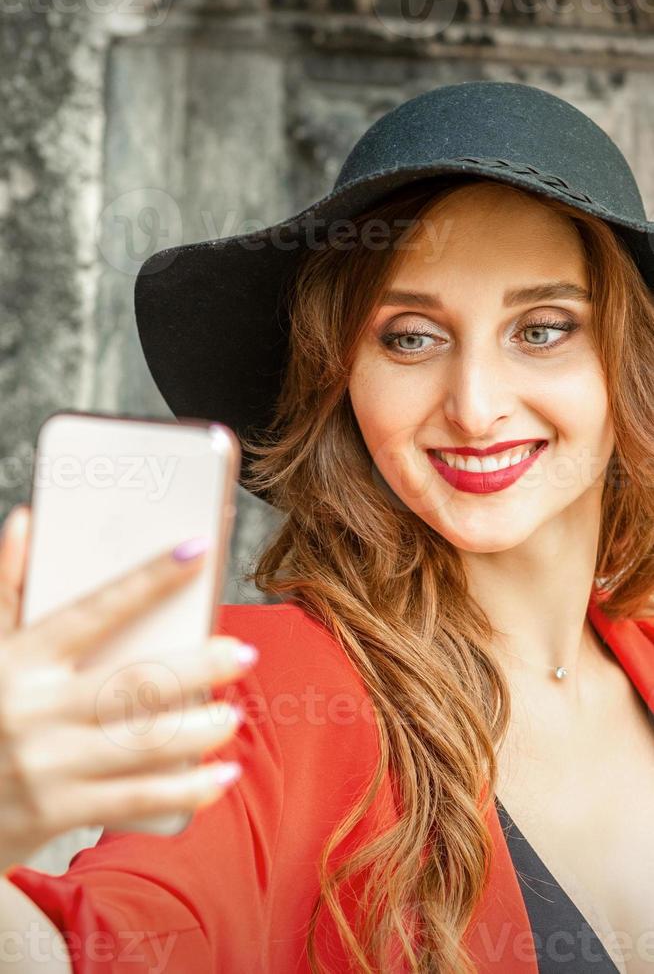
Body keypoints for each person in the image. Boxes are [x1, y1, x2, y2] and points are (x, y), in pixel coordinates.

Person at [2, 80, 654, 974]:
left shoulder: (642, 650)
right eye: (411, 337)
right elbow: (100, 950)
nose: (474, 406)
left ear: (629, 361)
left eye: (542, 329)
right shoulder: (263, 688)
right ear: (340, 376)